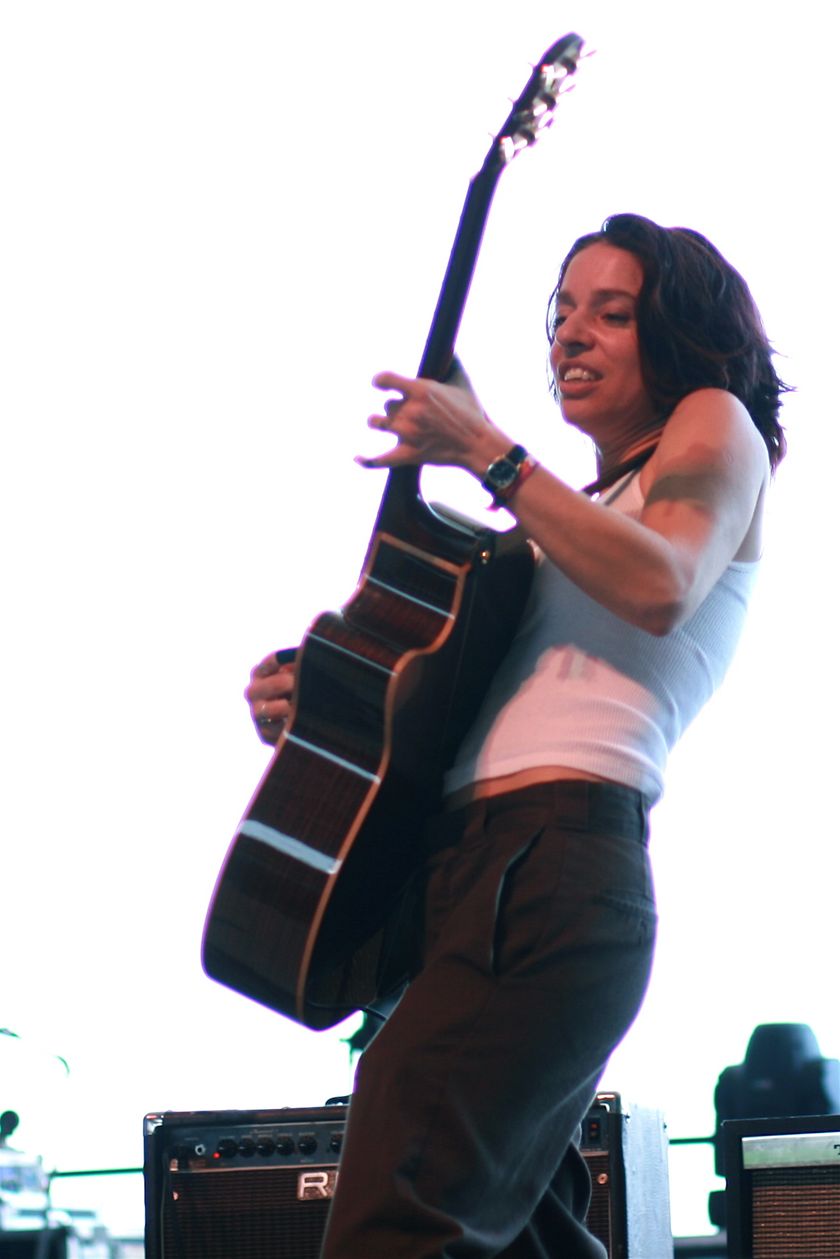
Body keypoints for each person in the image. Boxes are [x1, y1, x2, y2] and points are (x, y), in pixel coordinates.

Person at [245, 213, 788, 1258]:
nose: (570, 335)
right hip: (485, 875)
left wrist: (487, 450)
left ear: (682, 336)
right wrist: (329, 703)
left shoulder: (715, 422)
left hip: (546, 866)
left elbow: (662, 583)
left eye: (612, 313)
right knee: (517, 1235)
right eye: (563, 312)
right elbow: (469, 715)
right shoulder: (565, 525)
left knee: (399, 1216)